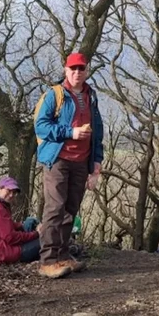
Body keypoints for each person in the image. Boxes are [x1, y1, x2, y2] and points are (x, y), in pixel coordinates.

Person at [35, 52, 104, 279]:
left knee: (70, 210)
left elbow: (98, 132)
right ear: (66, 70)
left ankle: (63, 256)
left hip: (81, 162)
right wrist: (70, 132)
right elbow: (41, 127)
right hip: (57, 159)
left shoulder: (90, 96)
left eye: (81, 69)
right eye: (73, 69)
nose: (77, 73)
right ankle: (48, 261)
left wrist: (96, 164)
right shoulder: (54, 95)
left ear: (86, 71)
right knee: (55, 208)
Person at [0, 177, 42, 266]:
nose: (11, 195)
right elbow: (10, 237)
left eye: (14, 192)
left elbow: (4, 226)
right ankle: (53, 260)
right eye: (8, 191)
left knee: (30, 221)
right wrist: (36, 234)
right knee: (44, 240)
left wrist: (21, 225)